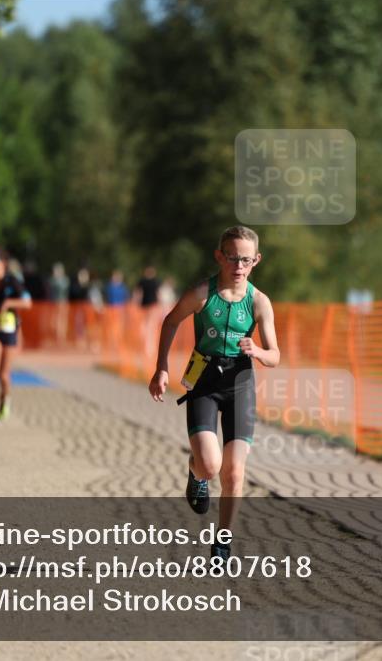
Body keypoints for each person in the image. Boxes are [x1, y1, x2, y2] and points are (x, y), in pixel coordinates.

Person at [148, 226, 280, 562]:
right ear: (220, 256)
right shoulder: (201, 293)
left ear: (256, 261)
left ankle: (223, 541)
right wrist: (162, 367)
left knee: (234, 472)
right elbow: (170, 321)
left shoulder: (259, 301)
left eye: (246, 260)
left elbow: (275, 356)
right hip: (204, 380)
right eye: (233, 257)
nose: (239, 265)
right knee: (210, 465)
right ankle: (196, 474)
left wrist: (259, 351)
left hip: (240, 384)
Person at [0, 248, 32, 428]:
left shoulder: (13, 281)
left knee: (4, 375)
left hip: (10, 331)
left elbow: (27, 302)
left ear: (3, 264)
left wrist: (9, 303)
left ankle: (5, 399)